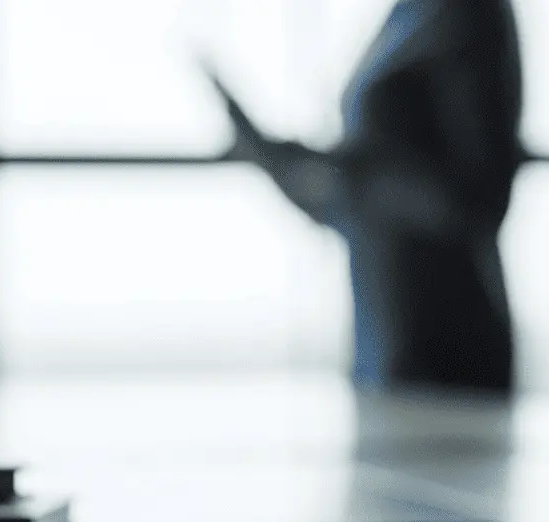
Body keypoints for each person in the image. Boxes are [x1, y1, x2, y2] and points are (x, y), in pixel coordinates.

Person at [211, 0, 524, 393]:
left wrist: (348, 174)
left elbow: (475, 199)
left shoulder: (468, 11)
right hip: (382, 347)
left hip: (445, 353)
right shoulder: (409, 11)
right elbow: (362, 199)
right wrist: (276, 158)